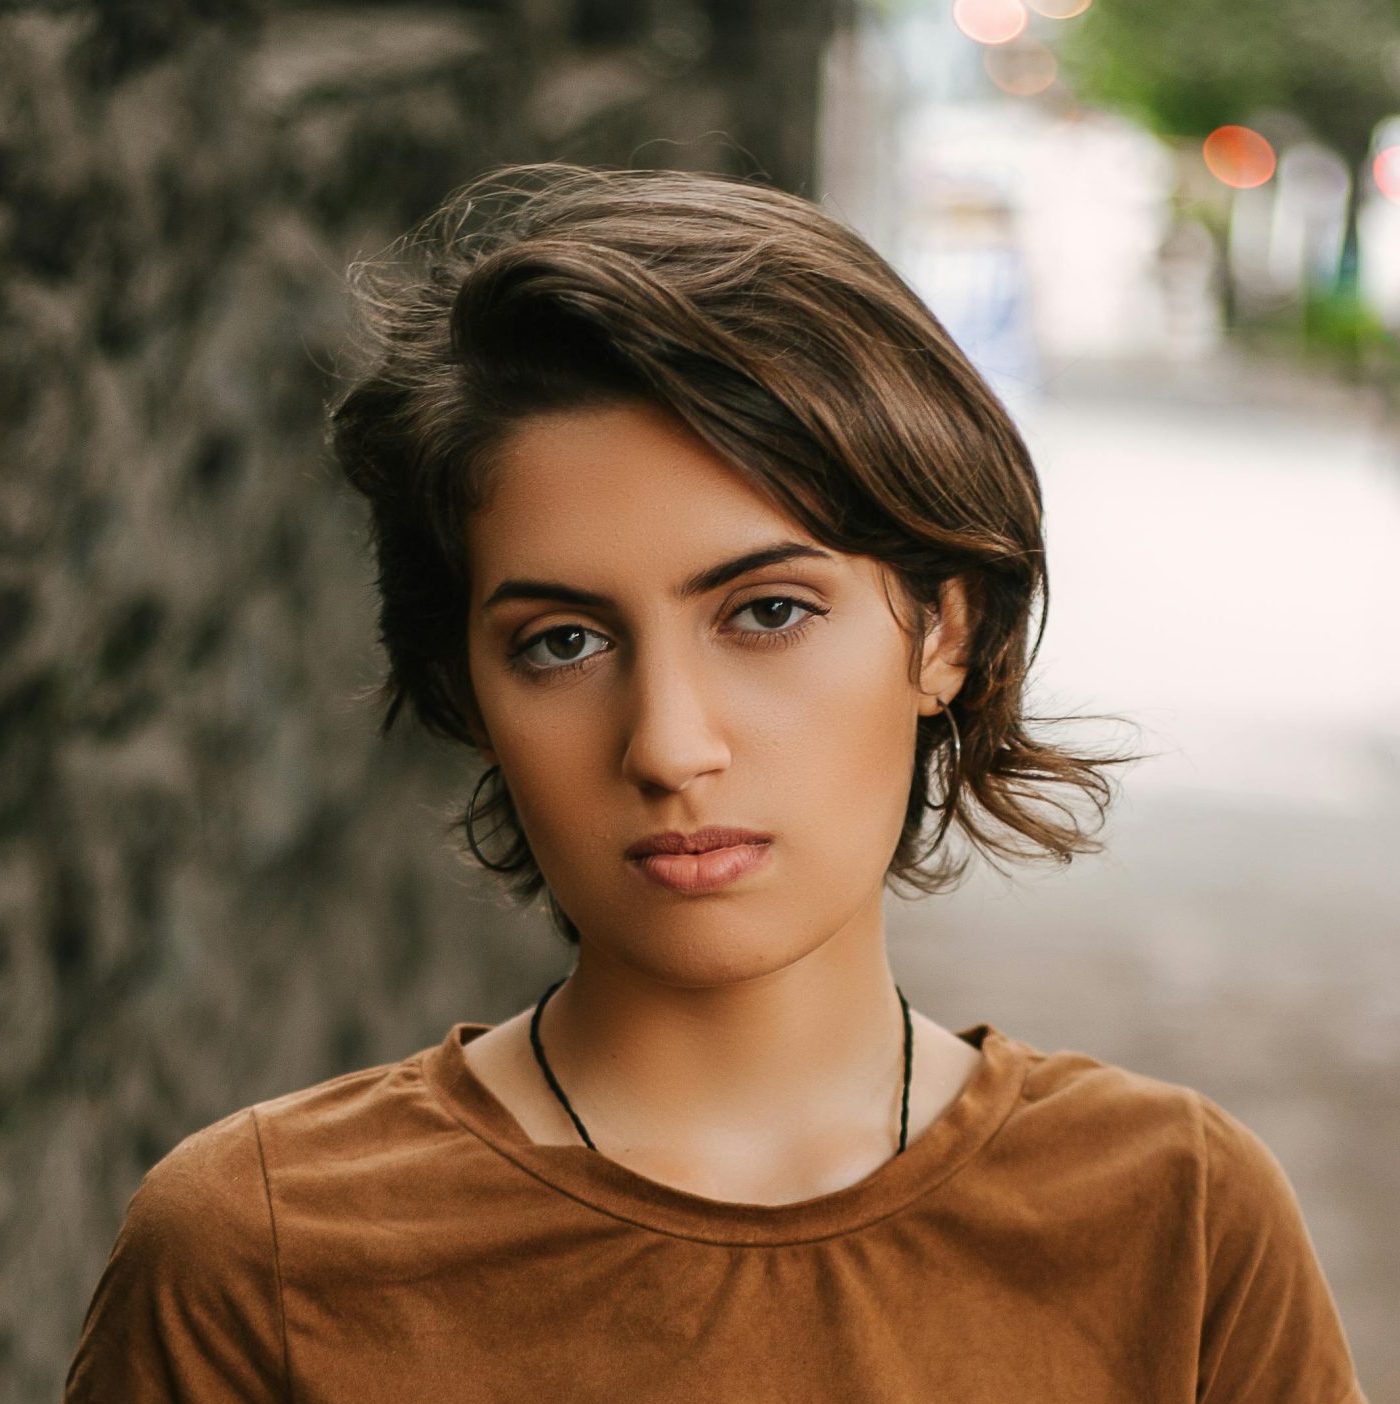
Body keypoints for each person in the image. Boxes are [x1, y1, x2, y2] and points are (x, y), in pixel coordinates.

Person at [65, 162, 1367, 1403]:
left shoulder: (1175, 1218)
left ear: (943, 632)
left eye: (766, 613)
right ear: (468, 692)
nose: (670, 746)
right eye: (561, 642)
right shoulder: (263, 1257)